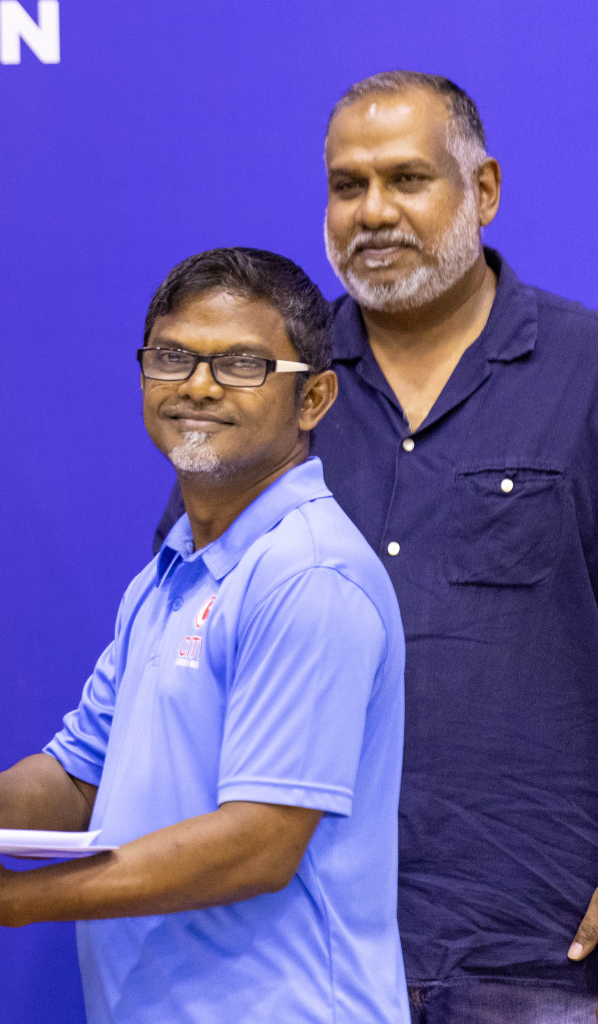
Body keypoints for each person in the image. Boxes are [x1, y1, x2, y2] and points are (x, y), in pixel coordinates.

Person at [0, 249, 409, 1024]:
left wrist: (10, 900)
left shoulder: (309, 573)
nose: (197, 385)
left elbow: (260, 843)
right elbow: (78, 783)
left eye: (243, 364)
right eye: (173, 357)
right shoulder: (169, 573)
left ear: (314, 397)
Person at [319, 72, 598, 1022]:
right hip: (300, 941)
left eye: (407, 179)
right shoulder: (276, 388)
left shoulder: (587, 371)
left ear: (482, 191)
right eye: (347, 185)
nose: (373, 212)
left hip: (535, 943)